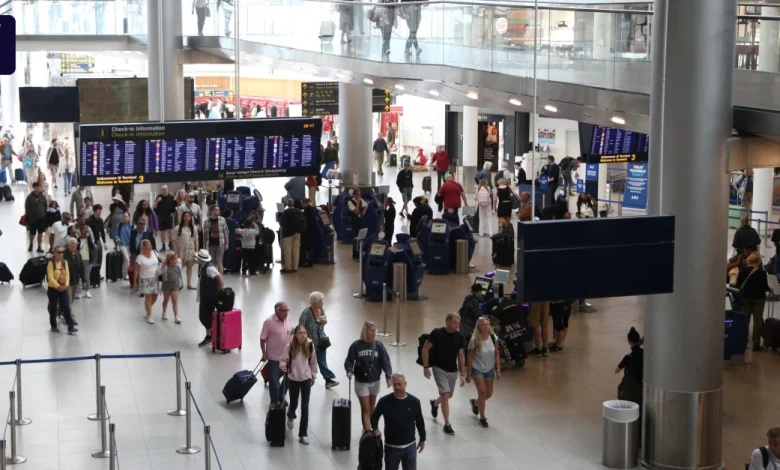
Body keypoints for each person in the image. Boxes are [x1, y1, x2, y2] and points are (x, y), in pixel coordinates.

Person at [421, 313, 466, 435]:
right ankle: (447, 424)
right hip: (439, 368)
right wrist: (426, 367)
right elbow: (425, 349)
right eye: (455, 323)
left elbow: (461, 355)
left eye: (458, 323)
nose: (457, 325)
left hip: (452, 370)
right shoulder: (437, 333)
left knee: (448, 395)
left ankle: (435, 404)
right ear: (448, 322)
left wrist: (463, 373)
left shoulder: (459, 336)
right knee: (445, 395)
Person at [371, 373, 426, 470]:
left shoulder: (414, 402)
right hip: (391, 447)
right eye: (395, 384)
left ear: (405, 384)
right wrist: (375, 429)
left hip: (410, 446)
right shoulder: (384, 401)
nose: (397, 387)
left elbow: (420, 422)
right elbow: (374, 417)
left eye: (400, 384)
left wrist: (422, 439)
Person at [345, 321, 393, 432]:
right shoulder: (356, 345)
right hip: (361, 382)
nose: (374, 332)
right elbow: (349, 360)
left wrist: (388, 376)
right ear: (365, 331)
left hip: (375, 381)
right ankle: (367, 432)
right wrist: (349, 371)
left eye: (375, 330)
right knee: (365, 408)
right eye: (372, 330)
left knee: (372, 408)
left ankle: (369, 427)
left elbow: (385, 361)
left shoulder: (379, 345)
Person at [280, 325, 318, 445]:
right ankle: (291, 415)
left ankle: (303, 434)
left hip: (306, 378)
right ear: (295, 335)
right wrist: (283, 366)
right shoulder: (290, 347)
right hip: (293, 378)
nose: (303, 335)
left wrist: (313, 376)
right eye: (300, 333)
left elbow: (313, 363)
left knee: (305, 406)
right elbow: (283, 359)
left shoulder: (310, 346)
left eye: (304, 333)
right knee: (294, 403)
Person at [299, 291, 339, 388]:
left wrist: (324, 322)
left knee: (322, 361)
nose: (322, 303)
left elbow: (324, 322)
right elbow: (300, 326)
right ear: (314, 302)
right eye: (320, 301)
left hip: (321, 341)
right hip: (309, 343)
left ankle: (328, 380)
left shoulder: (322, 310)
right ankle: (303, 380)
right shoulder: (306, 313)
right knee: (307, 362)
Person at [466, 317, 500, 428]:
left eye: (487, 324)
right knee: (482, 392)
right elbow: (470, 357)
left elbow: (496, 354)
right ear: (478, 326)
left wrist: (498, 369)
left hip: (489, 368)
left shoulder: (493, 337)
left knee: (488, 394)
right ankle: (482, 417)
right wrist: (468, 373)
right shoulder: (474, 339)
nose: (486, 327)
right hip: (477, 368)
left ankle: (475, 403)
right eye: (483, 325)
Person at [737, 253, 774, 352]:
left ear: (748, 261)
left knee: (745, 320)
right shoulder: (761, 272)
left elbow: (738, 285)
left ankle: (743, 342)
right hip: (759, 299)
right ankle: (756, 344)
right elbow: (764, 286)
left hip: (745, 298)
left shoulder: (742, 271)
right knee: (758, 321)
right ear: (758, 262)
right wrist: (769, 289)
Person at [261, 301, 294, 404]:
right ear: (277, 311)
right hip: (274, 356)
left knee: (289, 377)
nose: (286, 313)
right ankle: (275, 401)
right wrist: (264, 353)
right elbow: (262, 338)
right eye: (283, 311)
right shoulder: (269, 322)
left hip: (287, 355)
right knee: (274, 379)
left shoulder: (288, 319)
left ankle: (281, 396)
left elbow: (291, 332)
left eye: (287, 310)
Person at [46, 246, 78, 334]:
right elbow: (50, 278)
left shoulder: (64, 262)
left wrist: (66, 285)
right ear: (54, 253)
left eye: (62, 252)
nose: (61, 254)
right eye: (59, 252)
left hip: (63, 288)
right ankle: (54, 326)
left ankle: (70, 326)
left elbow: (67, 275)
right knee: (53, 308)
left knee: (66, 306)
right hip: (53, 289)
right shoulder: (51, 264)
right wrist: (57, 286)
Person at [196, 249, 224, 347]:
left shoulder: (209, 268)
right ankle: (210, 334)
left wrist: (221, 291)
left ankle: (209, 336)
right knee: (203, 316)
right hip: (205, 295)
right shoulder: (205, 266)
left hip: (209, 297)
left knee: (206, 316)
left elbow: (220, 278)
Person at [135, 240, 163, 324]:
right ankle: (149, 315)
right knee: (148, 297)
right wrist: (134, 282)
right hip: (145, 279)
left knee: (155, 296)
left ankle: (148, 308)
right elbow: (136, 270)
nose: (150, 246)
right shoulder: (140, 257)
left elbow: (161, 260)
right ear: (143, 247)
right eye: (148, 245)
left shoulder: (154, 253)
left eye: (150, 245)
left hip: (155, 278)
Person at [615, 327, 643, 407]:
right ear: (639, 340)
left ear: (629, 341)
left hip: (631, 387)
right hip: (642, 385)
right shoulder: (644, 353)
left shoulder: (628, 357)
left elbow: (617, 370)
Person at [174, 211, 199, 288]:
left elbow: (196, 240)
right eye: (185, 216)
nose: (187, 218)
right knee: (179, 267)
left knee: (189, 267)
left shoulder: (194, 228)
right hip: (180, 251)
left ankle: (189, 284)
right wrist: (175, 251)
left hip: (190, 250)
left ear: (190, 217)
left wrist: (196, 251)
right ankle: (179, 283)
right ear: (182, 217)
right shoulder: (177, 228)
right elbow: (173, 240)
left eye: (188, 216)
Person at [202, 205, 229, 274]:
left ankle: (220, 276)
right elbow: (205, 235)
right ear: (212, 211)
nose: (219, 211)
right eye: (217, 210)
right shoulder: (206, 222)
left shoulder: (222, 220)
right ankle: (214, 276)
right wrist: (204, 246)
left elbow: (226, 232)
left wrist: (227, 243)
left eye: (219, 210)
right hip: (211, 244)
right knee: (212, 262)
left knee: (219, 261)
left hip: (220, 244)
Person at [25, 181, 48, 253]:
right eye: (37, 187)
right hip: (33, 218)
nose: (38, 188)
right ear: (34, 187)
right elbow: (27, 206)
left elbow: (45, 206)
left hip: (41, 218)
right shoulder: (30, 197)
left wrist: (44, 214)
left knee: (40, 233)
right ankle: (31, 244)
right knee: (32, 233)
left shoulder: (42, 196)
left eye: (39, 187)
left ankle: (39, 246)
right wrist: (29, 214)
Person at [280, 199, 302, 273]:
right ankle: (295, 267)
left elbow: (282, 223)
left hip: (288, 233)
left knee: (287, 250)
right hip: (297, 232)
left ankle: (288, 268)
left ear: (287, 204)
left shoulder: (286, 212)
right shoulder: (298, 211)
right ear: (293, 204)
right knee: (296, 250)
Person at [161, 252, 183, 324]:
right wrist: (162, 265)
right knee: (166, 300)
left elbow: (180, 276)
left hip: (175, 286)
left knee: (175, 301)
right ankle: (164, 311)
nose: (177, 260)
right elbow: (157, 273)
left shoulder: (178, 267)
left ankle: (176, 317)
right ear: (170, 260)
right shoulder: (165, 267)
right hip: (166, 286)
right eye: (175, 259)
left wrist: (182, 283)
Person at [346, 189, 369, 260]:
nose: (359, 196)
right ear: (354, 195)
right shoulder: (350, 202)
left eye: (360, 195)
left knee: (361, 237)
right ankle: (355, 254)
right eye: (358, 195)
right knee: (356, 238)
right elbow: (356, 211)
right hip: (355, 222)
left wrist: (363, 213)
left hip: (360, 221)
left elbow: (366, 206)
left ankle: (360, 253)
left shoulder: (361, 200)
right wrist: (358, 202)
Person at [155, 185, 177, 251]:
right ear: (161, 190)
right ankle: (163, 246)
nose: (165, 190)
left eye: (166, 189)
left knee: (171, 231)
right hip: (161, 216)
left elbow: (175, 208)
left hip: (168, 216)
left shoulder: (171, 197)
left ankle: (170, 244)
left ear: (167, 189)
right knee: (162, 232)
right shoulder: (159, 197)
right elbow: (154, 207)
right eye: (163, 189)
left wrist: (174, 214)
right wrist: (157, 201)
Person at [76, 224, 96, 299]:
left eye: (87, 229)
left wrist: (89, 237)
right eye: (84, 229)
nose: (86, 230)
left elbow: (93, 247)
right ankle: (78, 292)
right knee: (79, 275)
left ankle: (87, 291)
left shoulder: (89, 239)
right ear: (81, 230)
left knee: (86, 276)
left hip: (88, 259)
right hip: (79, 260)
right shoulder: (78, 240)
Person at [63, 237, 83, 305]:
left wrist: (84, 279)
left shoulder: (78, 254)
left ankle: (67, 309)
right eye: (72, 244)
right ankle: (69, 311)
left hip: (75, 279)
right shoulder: (64, 254)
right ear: (68, 245)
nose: (74, 245)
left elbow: (81, 267)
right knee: (68, 298)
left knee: (72, 297)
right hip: (67, 280)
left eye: (75, 244)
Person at [300, 198, 317, 267]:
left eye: (302, 203)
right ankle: (310, 262)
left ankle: (306, 262)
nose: (301, 205)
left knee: (306, 247)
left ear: (305, 203)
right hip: (311, 231)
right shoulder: (311, 209)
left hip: (308, 231)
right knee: (310, 247)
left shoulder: (307, 211)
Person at [222, 208, 240, 273]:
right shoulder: (233, 221)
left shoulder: (222, 221)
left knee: (224, 253)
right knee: (231, 252)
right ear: (230, 214)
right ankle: (231, 267)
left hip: (223, 237)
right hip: (232, 237)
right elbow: (238, 228)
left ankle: (224, 266)